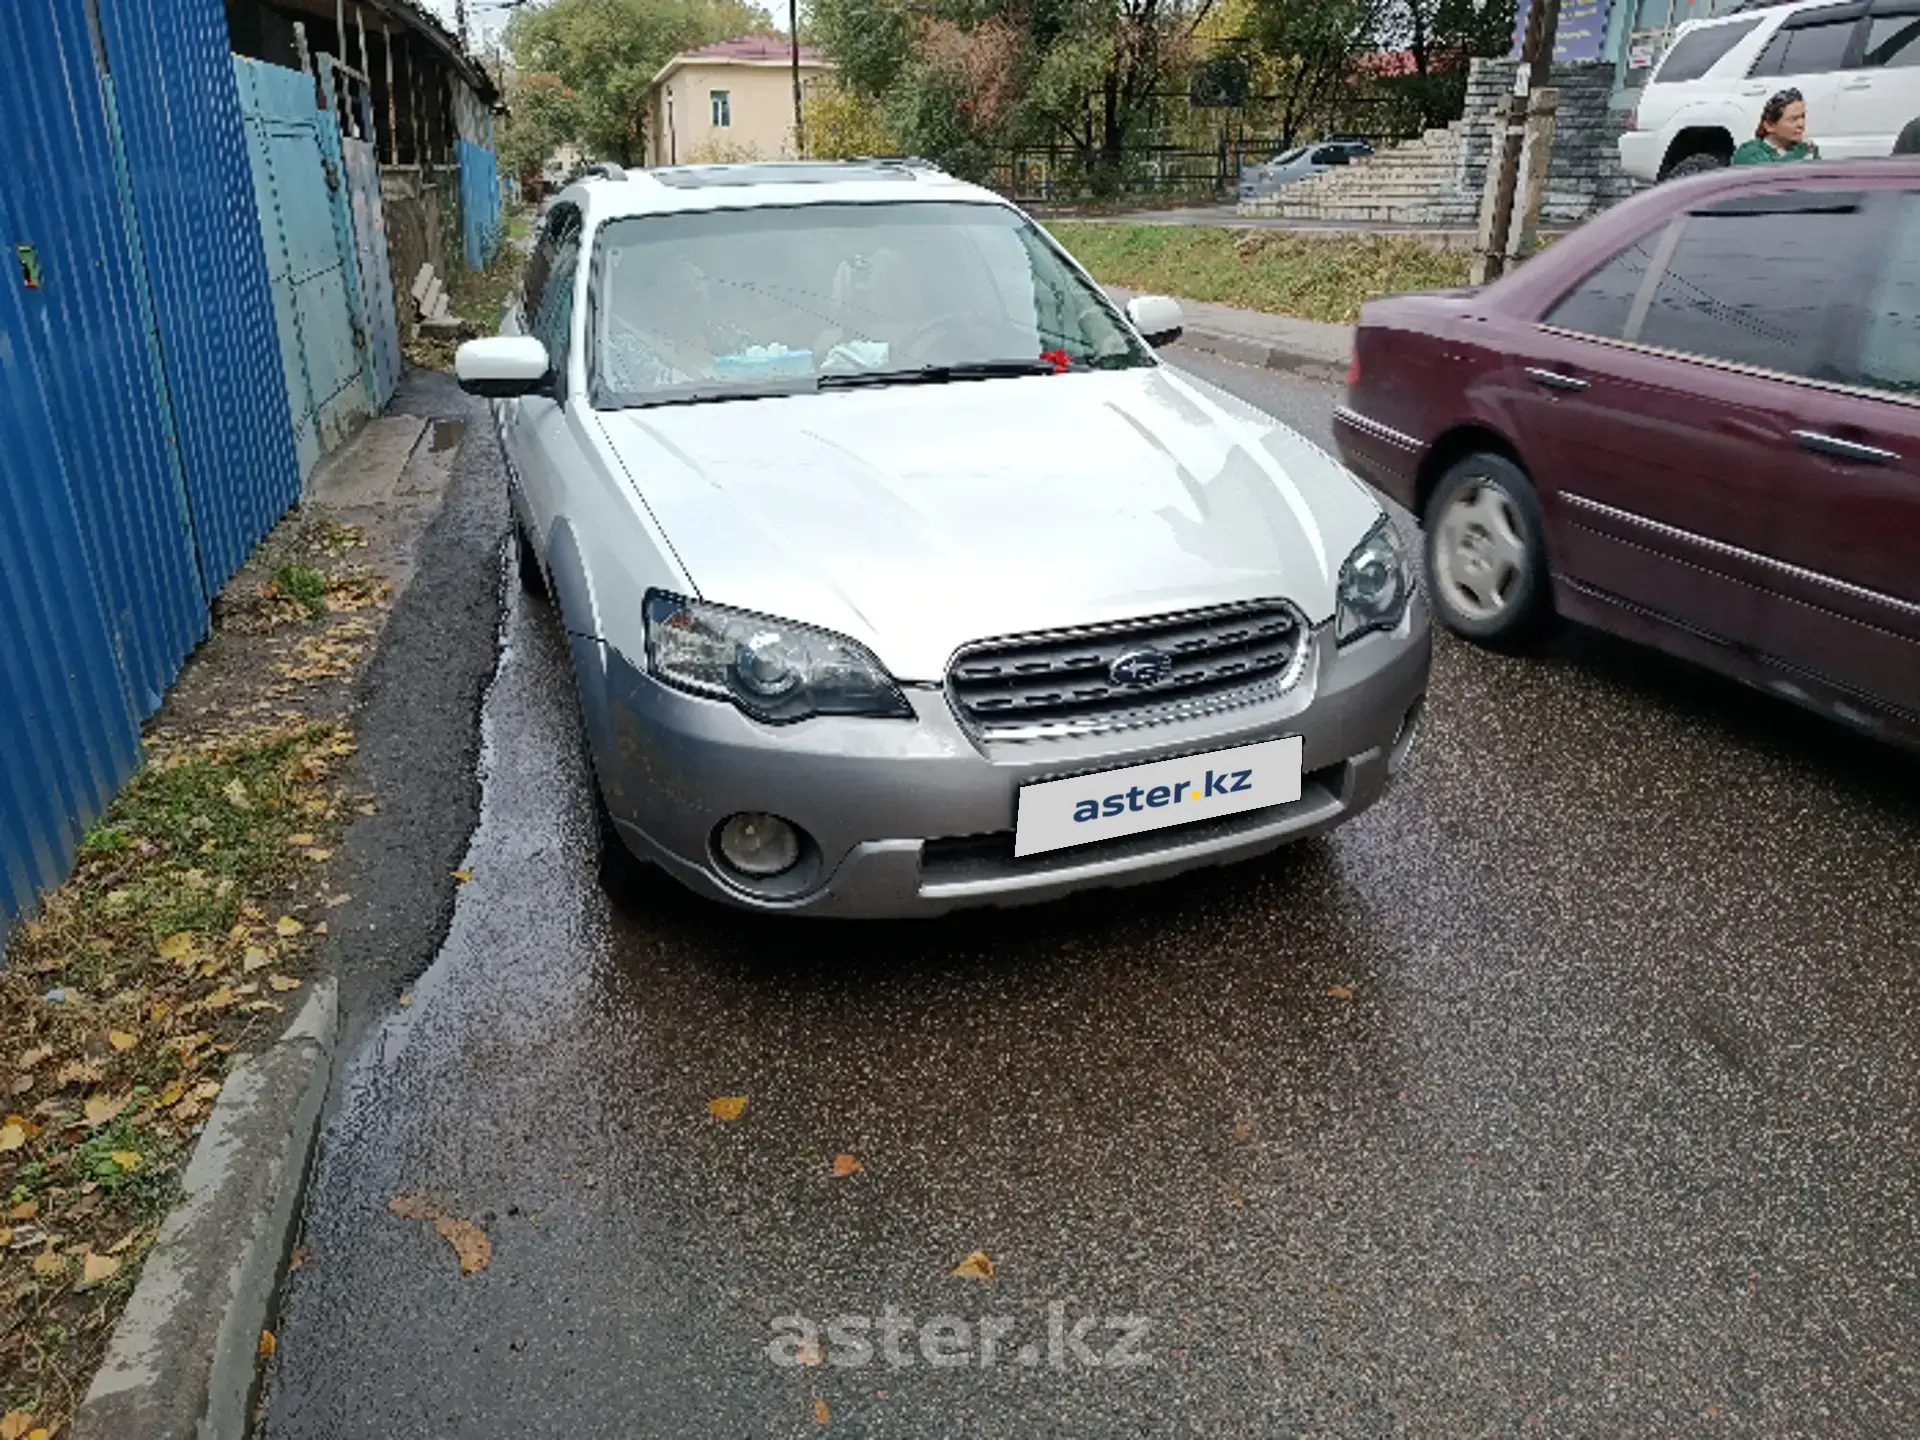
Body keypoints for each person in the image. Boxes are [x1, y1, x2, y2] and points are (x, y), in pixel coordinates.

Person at [1732, 89, 1820, 165]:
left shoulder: (1807, 149)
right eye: (1793, 119)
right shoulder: (1749, 153)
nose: (1801, 124)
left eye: (1803, 117)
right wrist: (1800, 152)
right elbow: (1775, 174)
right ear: (1769, 126)